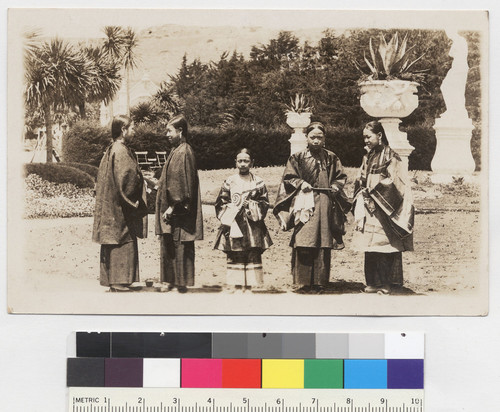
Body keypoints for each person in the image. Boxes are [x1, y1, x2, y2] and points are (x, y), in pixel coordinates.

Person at [273, 121, 349, 293]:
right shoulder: (297, 158)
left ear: (324, 139)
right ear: (307, 138)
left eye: (319, 137)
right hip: (304, 202)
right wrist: (300, 183)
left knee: (323, 239)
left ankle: (320, 282)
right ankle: (302, 282)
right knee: (304, 238)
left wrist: (336, 186)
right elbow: (288, 177)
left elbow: (340, 176)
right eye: (312, 137)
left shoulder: (331, 157)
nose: (316, 141)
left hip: (325, 201)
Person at [353, 120, 414, 295]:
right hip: (369, 205)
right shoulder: (367, 156)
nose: (365, 140)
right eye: (363, 137)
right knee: (370, 244)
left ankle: (388, 283)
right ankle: (372, 282)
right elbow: (360, 176)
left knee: (385, 244)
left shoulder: (391, 156)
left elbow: (396, 181)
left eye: (368, 136)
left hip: (385, 207)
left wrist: (375, 191)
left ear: (379, 135)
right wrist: (362, 189)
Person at [92, 115, 148, 292]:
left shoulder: (112, 149)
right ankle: (119, 282)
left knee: (113, 239)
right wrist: (140, 188)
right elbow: (127, 179)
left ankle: (114, 281)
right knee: (121, 239)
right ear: (123, 130)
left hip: (112, 206)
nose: (134, 131)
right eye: (132, 128)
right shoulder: (121, 151)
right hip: (120, 209)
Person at [155, 115, 203, 293]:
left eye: (169, 130)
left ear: (180, 131)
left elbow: (185, 185)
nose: (166, 134)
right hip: (172, 209)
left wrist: (173, 206)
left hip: (178, 210)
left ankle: (179, 283)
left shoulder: (184, 152)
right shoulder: (177, 150)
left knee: (179, 243)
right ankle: (172, 281)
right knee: (170, 243)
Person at [214, 148, 273, 292]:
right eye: (240, 161)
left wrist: (252, 205)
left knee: (252, 251)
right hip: (234, 223)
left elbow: (265, 203)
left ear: (252, 163)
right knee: (235, 251)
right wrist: (230, 208)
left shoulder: (258, 182)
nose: (243, 164)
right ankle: (237, 284)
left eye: (246, 161)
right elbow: (221, 202)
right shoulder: (230, 181)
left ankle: (250, 285)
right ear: (235, 162)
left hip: (253, 225)